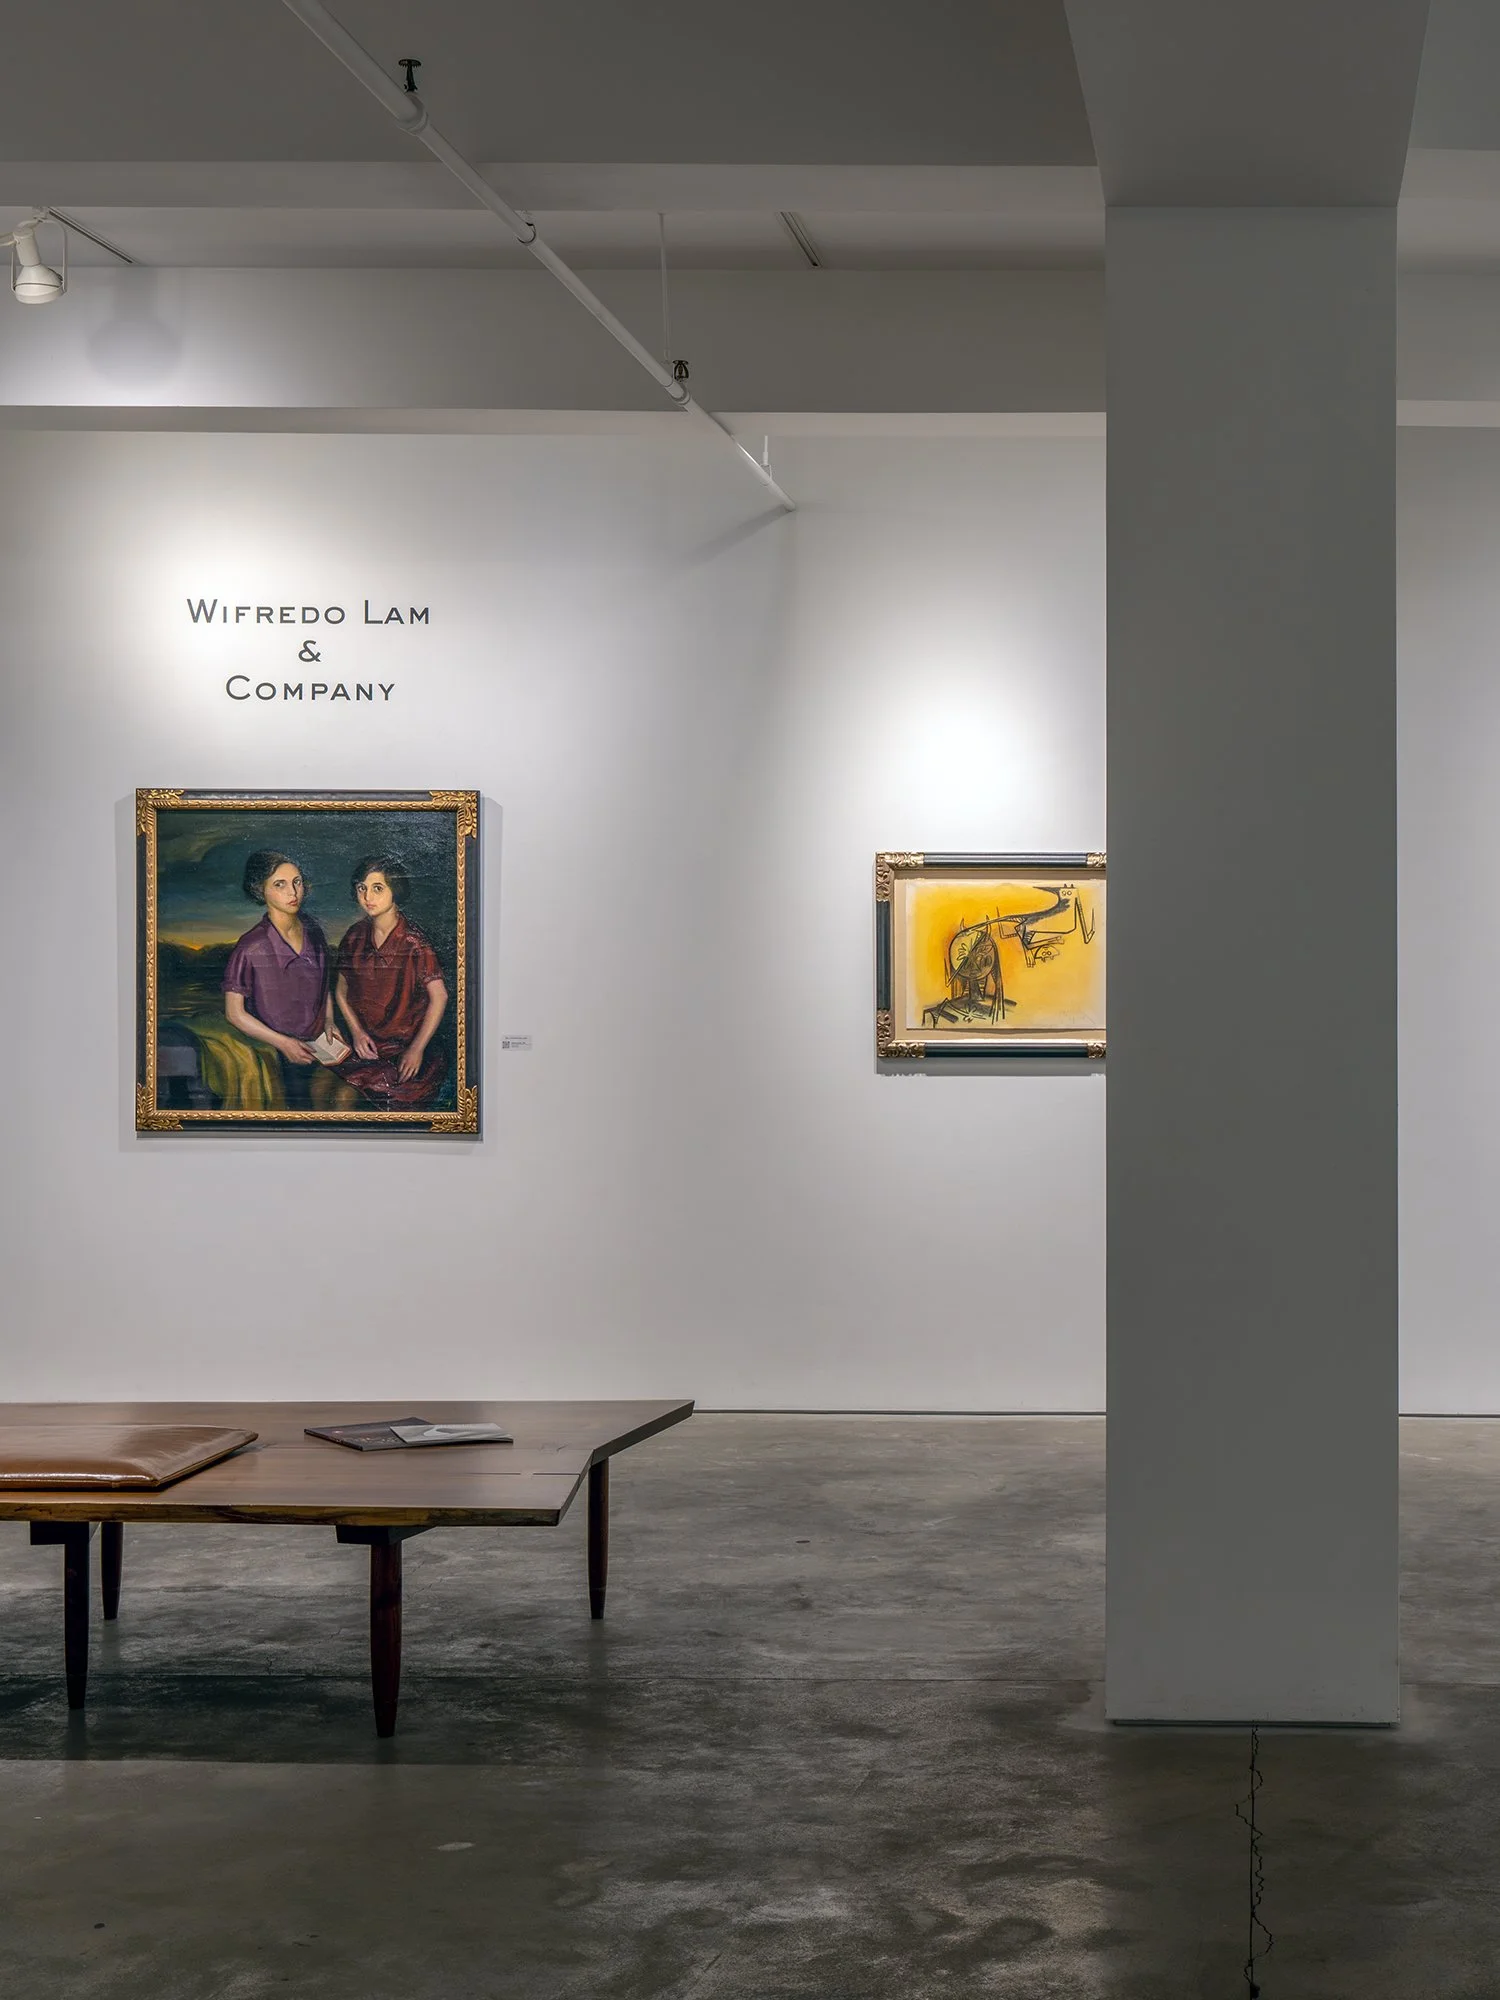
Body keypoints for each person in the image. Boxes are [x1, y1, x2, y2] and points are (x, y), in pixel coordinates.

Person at [222, 851, 343, 1110]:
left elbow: (324, 984)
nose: (293, 892)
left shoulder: (313, 930)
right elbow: (234, 1013)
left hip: (322, 1046)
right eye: (280, 885)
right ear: (260, 890)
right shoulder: (251, 946)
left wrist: (330, 1021)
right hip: (278, 1052)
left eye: (297, 882)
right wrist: (283, 1043)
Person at [334, 855, 449, 1109]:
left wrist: (416, 1049)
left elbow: (440, 997)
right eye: (361, 888)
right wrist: (357, 1032)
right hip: (366, 1045)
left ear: (395, 891)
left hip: (405, 1049)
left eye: (377, 888)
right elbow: (341, 990)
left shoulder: (414, 943)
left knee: (347, 1099)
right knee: (322, 1087)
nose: (367, 897)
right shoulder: (354, 936)